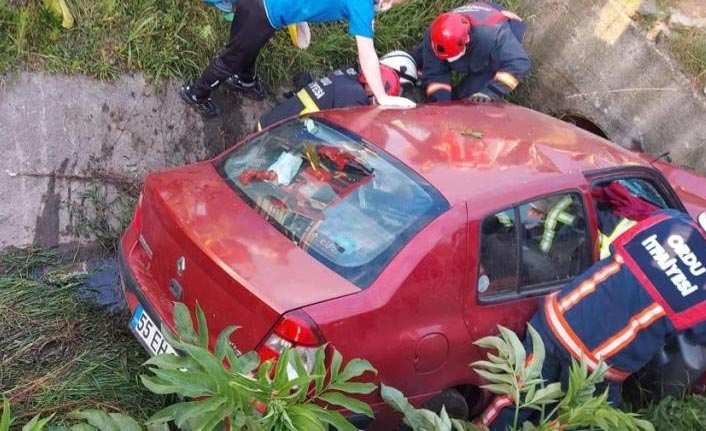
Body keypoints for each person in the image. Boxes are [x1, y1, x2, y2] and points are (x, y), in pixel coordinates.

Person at [477, 209, 706, 430]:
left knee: (514, 397)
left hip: (558, 319)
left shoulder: (668, 220)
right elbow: (699, 333)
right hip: (596, 363)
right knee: (572, 421)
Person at [179, 0, 416, 118]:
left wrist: (298, 18)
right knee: (232, 59)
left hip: (269, 10)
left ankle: (245, 80)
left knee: (251, 45)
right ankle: (196, 93)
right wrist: (382, 96)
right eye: (393, 3)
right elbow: (367, 52)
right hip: (262, 11)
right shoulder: (363, 5)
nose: (389, 6)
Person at [415, 2, 530, 103]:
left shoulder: (492, 36)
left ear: (467, 40)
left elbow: (519, 63)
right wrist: (441, 105)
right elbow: (436, 76)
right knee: (419, 60)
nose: (449, 61)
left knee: (467, 99)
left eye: (453, 58)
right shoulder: (435, 33)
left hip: (503, 31)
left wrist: (491, 92)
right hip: (477, 21)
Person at [257, 63, 402, 130]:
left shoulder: (348, 75)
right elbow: (347, 135)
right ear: (372, 89)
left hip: (270, 121)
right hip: (273, 135)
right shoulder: (355, 97)